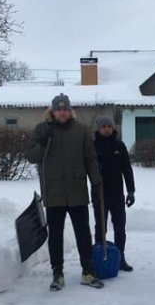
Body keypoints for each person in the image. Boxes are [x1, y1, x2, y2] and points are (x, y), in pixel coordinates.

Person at [26, 93, 104, 291]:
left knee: (83, 233)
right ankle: (57, 273)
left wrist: (96, 181)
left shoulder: (81, 130)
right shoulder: (42, 129)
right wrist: (43, 142)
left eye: (65, 109)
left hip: (77, 190)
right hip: (53, 191)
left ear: (70, 111)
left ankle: (88, 272)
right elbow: (32, 157)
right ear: (52, 111)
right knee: (55, 236)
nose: (62, 113)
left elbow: (90, 157)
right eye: (58, 109)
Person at [92, 114, 136, 272]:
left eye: (109, 126)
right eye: (103, 127)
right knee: (100, 226)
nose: (106, 129)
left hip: (117, 193)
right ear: (98, 129)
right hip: (99, 193)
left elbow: (127, 169)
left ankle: (120, 257)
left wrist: (131, 190)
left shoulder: (119, 146)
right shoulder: (92, 146)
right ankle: (99, 255)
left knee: (120, 226)